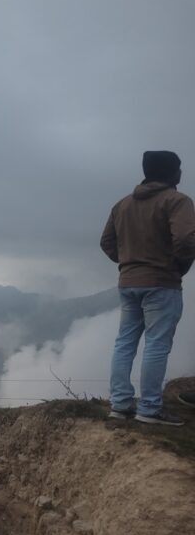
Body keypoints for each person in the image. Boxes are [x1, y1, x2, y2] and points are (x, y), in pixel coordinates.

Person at [100, 150, 195, 425]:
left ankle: (119, 404)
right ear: (172, 173)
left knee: (124, 342)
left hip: (128, 282)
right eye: (179, 169)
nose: (181, 173)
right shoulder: (177, 201)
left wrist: (129, 262)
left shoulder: (122, 205)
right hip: (162, 283)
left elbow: (107, 242)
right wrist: (177, 266)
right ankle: (150, 409)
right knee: (156, 344)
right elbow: (187, 240)